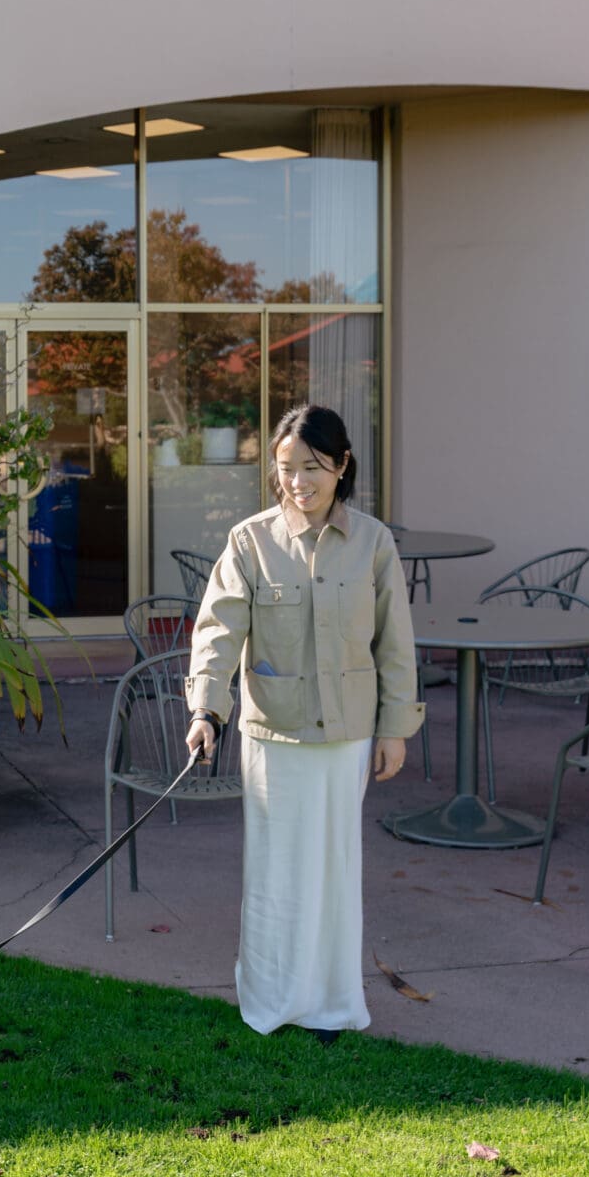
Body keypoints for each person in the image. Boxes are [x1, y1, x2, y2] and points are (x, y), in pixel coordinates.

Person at [184, 403, 422, 1040]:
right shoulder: (250, 541)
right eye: (286, 468)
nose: (298, 482)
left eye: (313, 468)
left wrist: (395, 727)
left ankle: (331, 1005)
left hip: (347, 736)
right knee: (275, 873)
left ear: (341, 466)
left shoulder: (373, 542)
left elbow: (394, 643)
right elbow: (217, 632)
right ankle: (272, 1000)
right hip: (274, 734)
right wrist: (206, 709)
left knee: (334, 870)